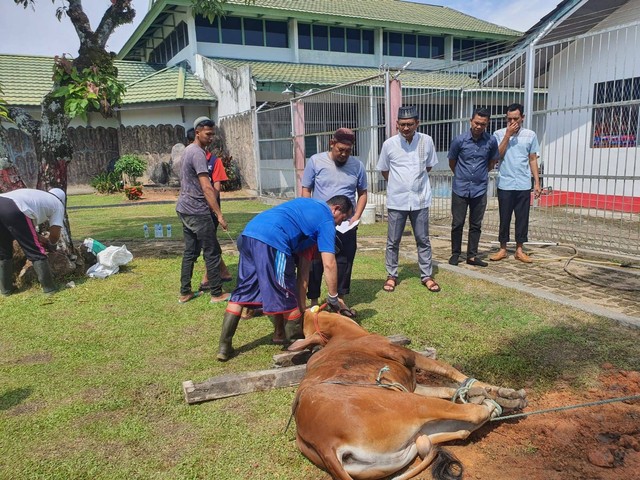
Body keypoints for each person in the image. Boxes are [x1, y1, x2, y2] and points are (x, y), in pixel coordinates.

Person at [216, 195, 353, 362]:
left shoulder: (308, 207)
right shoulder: (326, 219)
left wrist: (304, 310)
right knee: (287, 294)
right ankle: (295, 344)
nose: (339, 224)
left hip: (248, 235)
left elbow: (303, 279)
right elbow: (329, 264)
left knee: (242, 293)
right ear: (336, 209)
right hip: (272, 239)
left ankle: (224, 347)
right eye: (342, 219)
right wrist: (333, 297)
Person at [301, 128, 367, 318]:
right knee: (315, 261)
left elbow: (363, 193)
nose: (344, 154)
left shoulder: (357, 166)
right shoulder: (316, 161)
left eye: (348, 150)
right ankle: (313, 299)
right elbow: (306, 189)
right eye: (340, 149)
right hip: (320, 222)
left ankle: (340, 298)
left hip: (345, 224)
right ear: (331, 143)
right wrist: (309, 214)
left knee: (344, 260)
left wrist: (356, 216)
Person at [377, 105, 440, 293]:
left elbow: (428, 166)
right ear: (397, 124)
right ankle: (391, 275)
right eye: (402, 124)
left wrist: (415, 183)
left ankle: (426, 275)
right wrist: (400, 184)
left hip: (420, 199)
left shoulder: (427, 141)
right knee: (393, 241)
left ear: (417, 123)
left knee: (423, 239)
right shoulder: (389, 144)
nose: (406, 128)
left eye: (410, 124)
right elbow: (384, 169)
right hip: (397, 201)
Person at [176, 116, 230, 304]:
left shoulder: (186, 151)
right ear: (197, 132)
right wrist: (219, 214)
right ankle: (216, 293)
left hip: (184, 208)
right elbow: (207, 187)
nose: (211, 137)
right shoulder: (198, 153)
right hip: (197, 211)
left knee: (190, 251)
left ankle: (185, 292)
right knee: (212, 251)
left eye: (213, 134)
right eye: (208, 134)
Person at [448, 108, 500, 267]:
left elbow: (492, 162)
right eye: (477, 123)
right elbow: (452, 161)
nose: (479, 126)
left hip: (479, 189)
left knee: (476, 224)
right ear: (471, 121)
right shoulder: (459, 140)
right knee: (458, 223)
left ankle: (472, 255)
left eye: (483, 124)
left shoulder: (491, 141)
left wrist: (480, 174)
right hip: (460, 189)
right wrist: (461, 175)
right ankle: (455, 254)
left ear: (487, 124)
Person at [490, 103, 541, 263]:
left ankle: (519, 249)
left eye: (516, 119)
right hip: (505, 183)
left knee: (522, 218)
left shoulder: (530, 135)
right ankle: (503, 248)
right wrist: (507, 135)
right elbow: (497, 155)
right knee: (504, 217)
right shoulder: (498, 134)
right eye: (509, 119)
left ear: (522, 118)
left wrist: (537, 183)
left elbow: (533, 159)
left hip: (523, 184)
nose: (512, 122)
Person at [0, 187, 66, 294]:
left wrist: (41, 238)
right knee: (35, 249)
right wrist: (51, 244)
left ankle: (6, 290)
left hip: (2, 200)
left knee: (3, 251)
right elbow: (54, 235)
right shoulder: (58, 204)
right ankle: (49, 288)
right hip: (15, 207)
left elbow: (26, 230)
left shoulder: (39, 196)